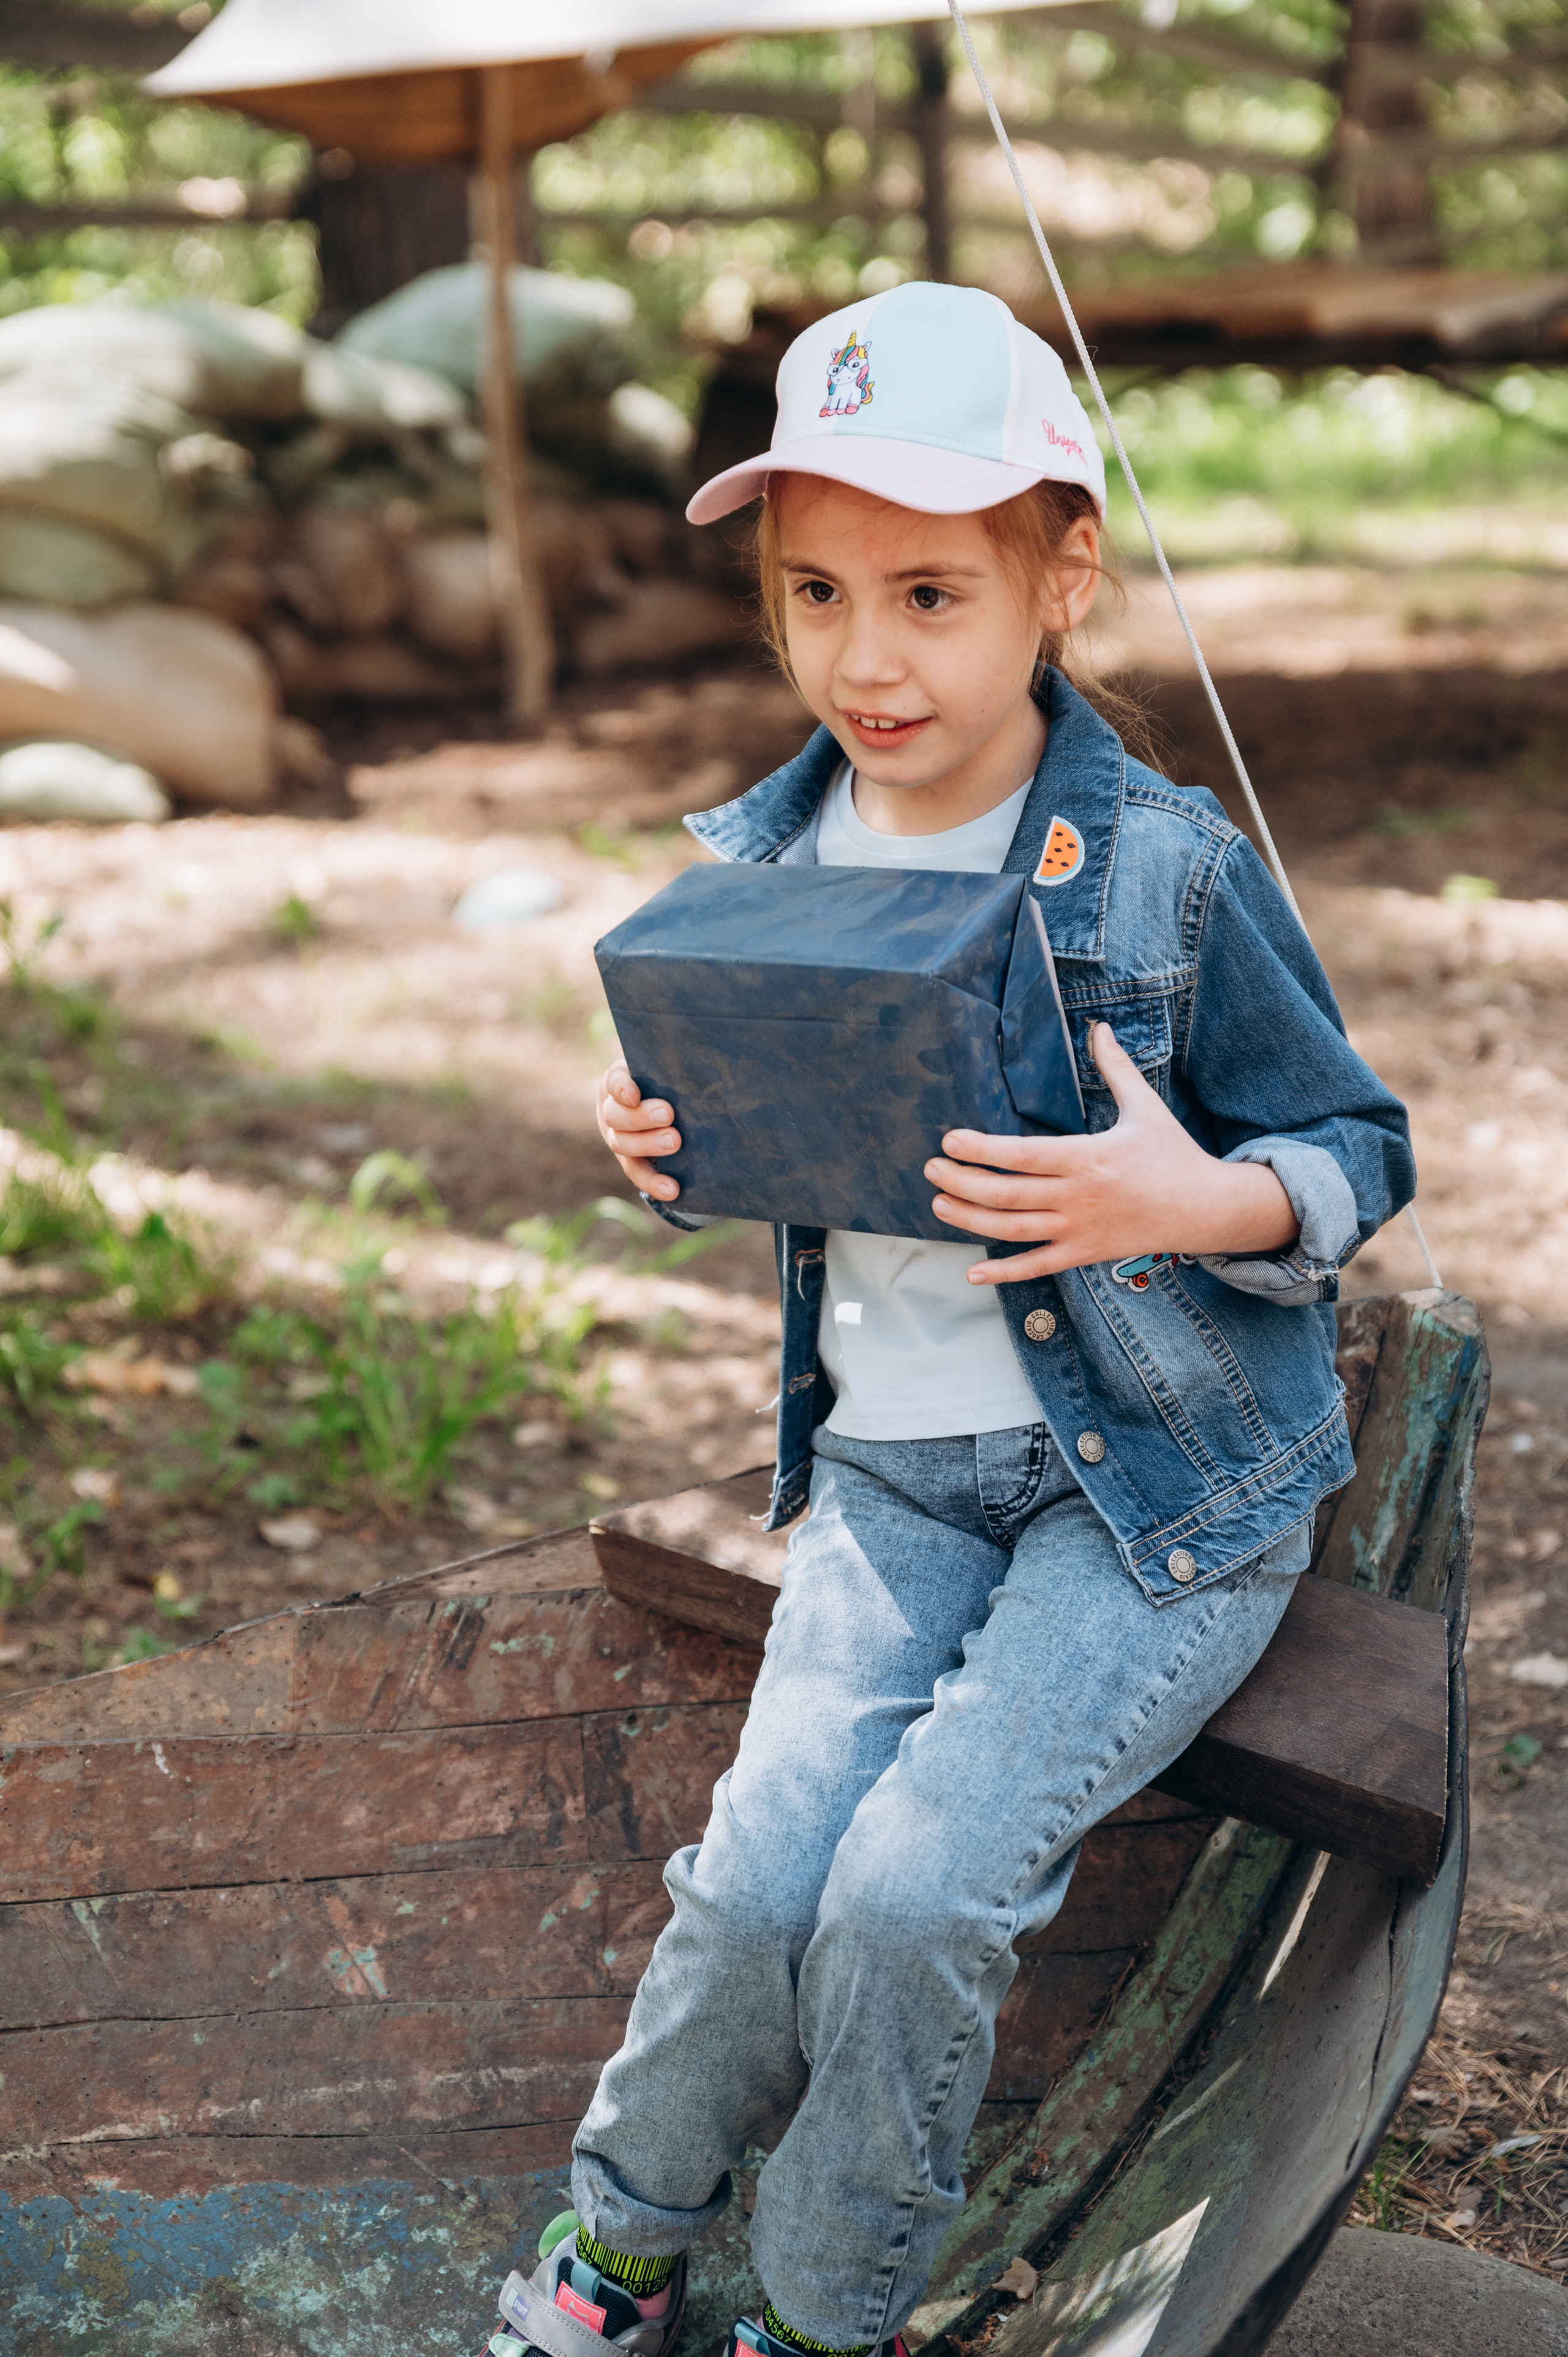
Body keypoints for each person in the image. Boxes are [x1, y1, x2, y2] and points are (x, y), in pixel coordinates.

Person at [483, 282, 1415, 2357]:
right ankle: (622, 2238)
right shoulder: (769, 853)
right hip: (895, 1477)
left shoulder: (1165, 867)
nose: (866, 658)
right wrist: (668, 1138)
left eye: (929, 594)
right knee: (755, 1889)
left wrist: (1193, 1198)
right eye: (815, 593)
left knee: (913, 1894)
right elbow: (792, 1139)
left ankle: (830, 2316)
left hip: (1157, 1490)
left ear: (1063, 575)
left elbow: (1357, 1148)